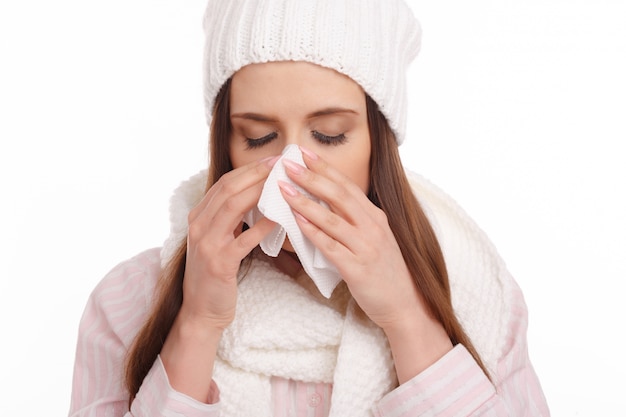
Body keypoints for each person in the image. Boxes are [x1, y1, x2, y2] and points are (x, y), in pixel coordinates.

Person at [68, 0, 550, 416]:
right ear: (225, 144)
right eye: (258, 137)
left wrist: (407, 316)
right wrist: (196, 323)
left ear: (378, 145)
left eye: (330, 135)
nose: (291, 170)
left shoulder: (477, 294)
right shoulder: (127, 302)